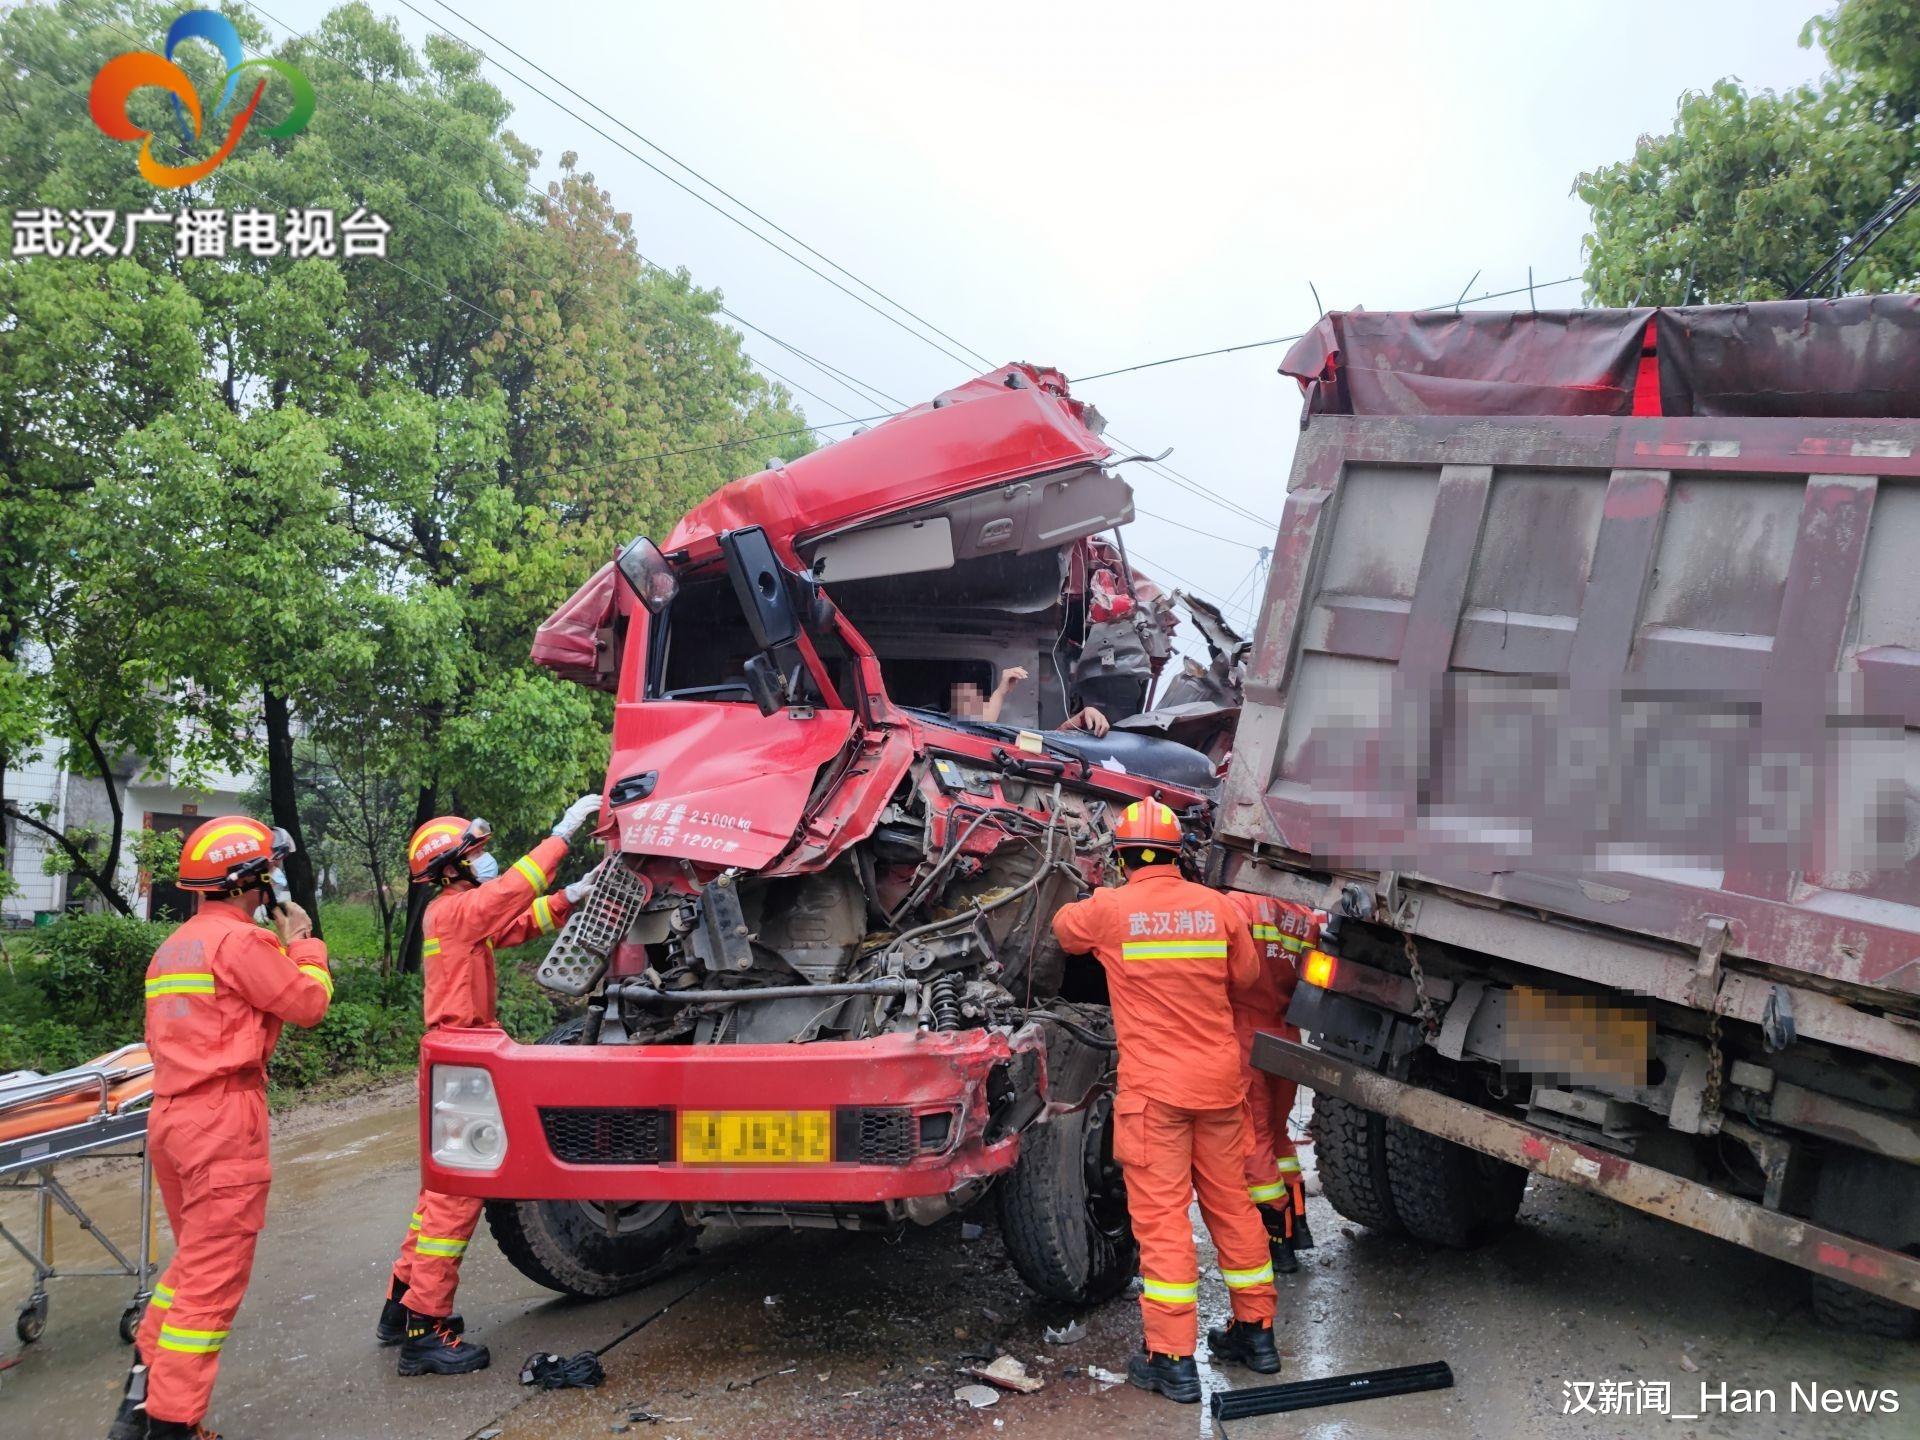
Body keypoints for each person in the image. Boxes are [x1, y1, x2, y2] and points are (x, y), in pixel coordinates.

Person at [110, 817, 333, 1440]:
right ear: (249, 881)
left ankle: (140, 1402)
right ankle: (173, 1425)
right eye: (268, 873)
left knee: (192, 1266)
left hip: (174, 1116)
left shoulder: (174, 946)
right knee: (212, 1283)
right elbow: (308, 1004)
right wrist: (305, 945)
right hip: (221, 1121)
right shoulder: (240, 945)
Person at [1050, 800, 1279, 1404]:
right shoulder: (1220, 909)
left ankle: (1172, 1358)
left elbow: (1062, 931)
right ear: (1180, 855)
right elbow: (1248, 979)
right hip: (1219, 1086)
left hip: (1156, 1095)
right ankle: (1256, 1334)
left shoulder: (1110, 909)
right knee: (1232, 1205)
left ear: (1123, 857)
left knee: (1162, 1222)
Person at [375, 793, 604, 1376]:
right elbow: (511, 893)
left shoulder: (457, 915)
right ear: (451, 868)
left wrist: (575, 897)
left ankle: (399, 1306)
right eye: (477, 854)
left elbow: (518, 922)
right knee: (457, 1197)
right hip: (463, 1055)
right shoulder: (455, 911)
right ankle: (427, 1329)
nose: (487, 861)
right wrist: (565, 832)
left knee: (438, 1192)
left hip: (459, 1054)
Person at [1226, 892, 1319, 1272]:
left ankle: (1275, 1241)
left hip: (1246, 1031)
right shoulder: (1304, 918)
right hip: (1286, 1034)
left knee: (1255, 1139)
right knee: (1277, 1135)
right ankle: (1297, 1226)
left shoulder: (1237, 906)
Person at [949, 664, 1111, 736]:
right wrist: (999, 693)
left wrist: (1083, 716)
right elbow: (982, 724)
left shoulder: (1003, 742)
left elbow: (1053, 740)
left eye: (983, 701)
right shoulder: (948, 737)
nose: (986, 705)